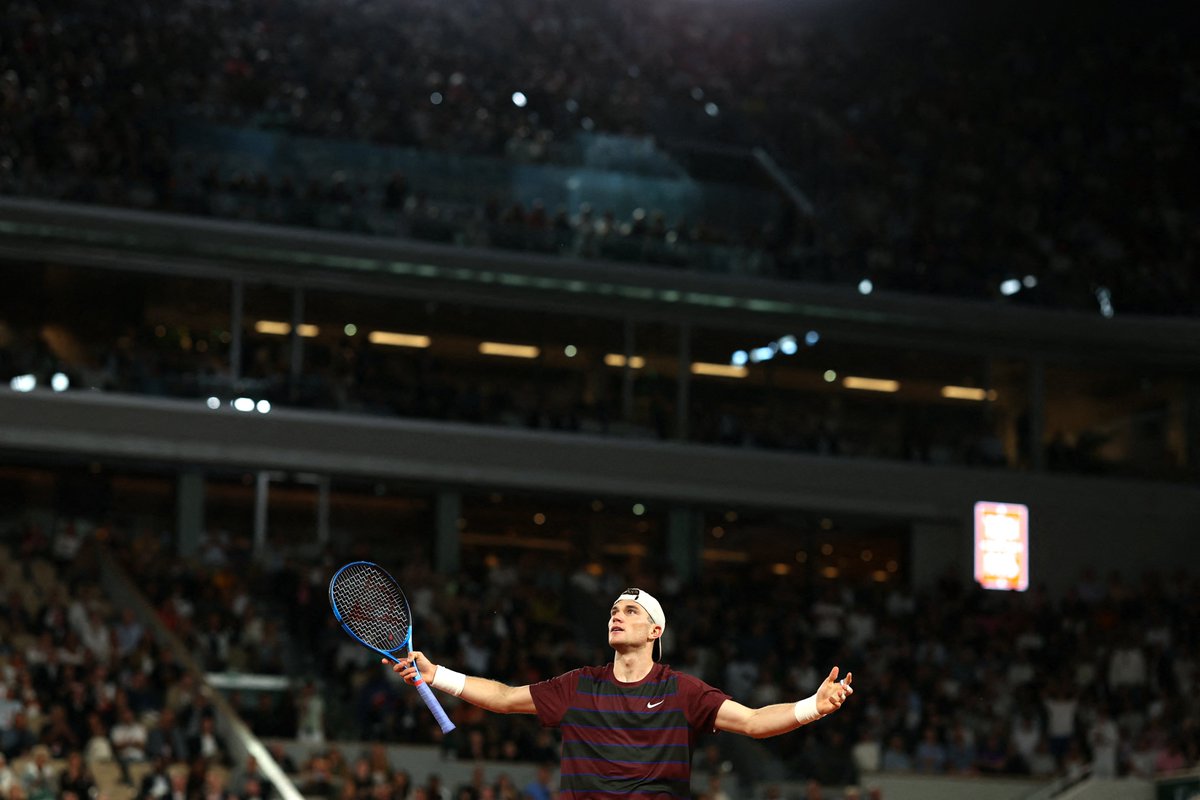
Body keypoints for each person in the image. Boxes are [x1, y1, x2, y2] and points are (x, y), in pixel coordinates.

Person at [391, 587, 854, 798]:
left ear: (655, 631)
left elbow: (752, 722)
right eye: (614, 609)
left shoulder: (682, 691)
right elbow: (505, 698)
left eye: (631, 611)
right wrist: (437, 675)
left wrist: (814, 706)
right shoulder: (579, 685)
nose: (617, 615)